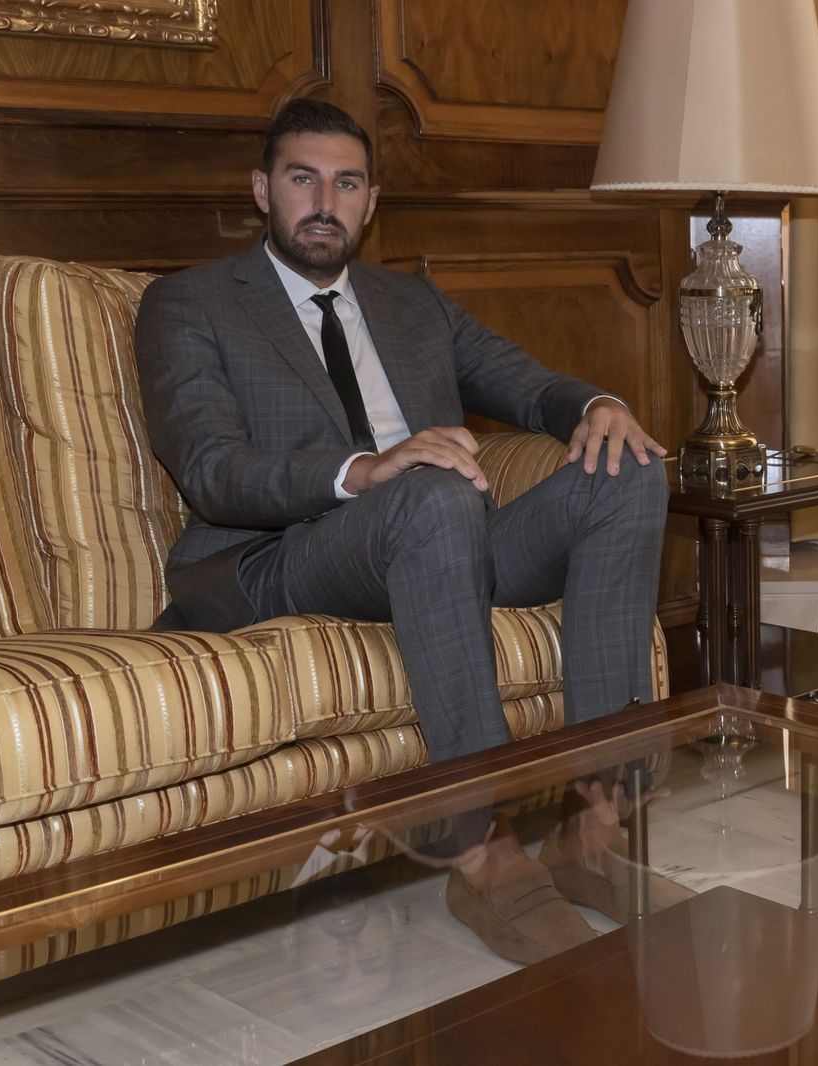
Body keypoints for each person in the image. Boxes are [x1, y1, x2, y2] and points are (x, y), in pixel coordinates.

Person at [135, 98, 672, 962]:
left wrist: (597, 405)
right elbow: (209, 466)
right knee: (433, 492)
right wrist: (364, 470)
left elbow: (529, 386)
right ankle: (479, 847)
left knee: (628, 470)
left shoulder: (410, 302)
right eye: (303, 179)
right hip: (286, 552)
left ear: (372, 201)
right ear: (262, 189)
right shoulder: (189, 302)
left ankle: (593, 827)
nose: (325, 202)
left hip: (442, 538)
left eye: (347, 184)